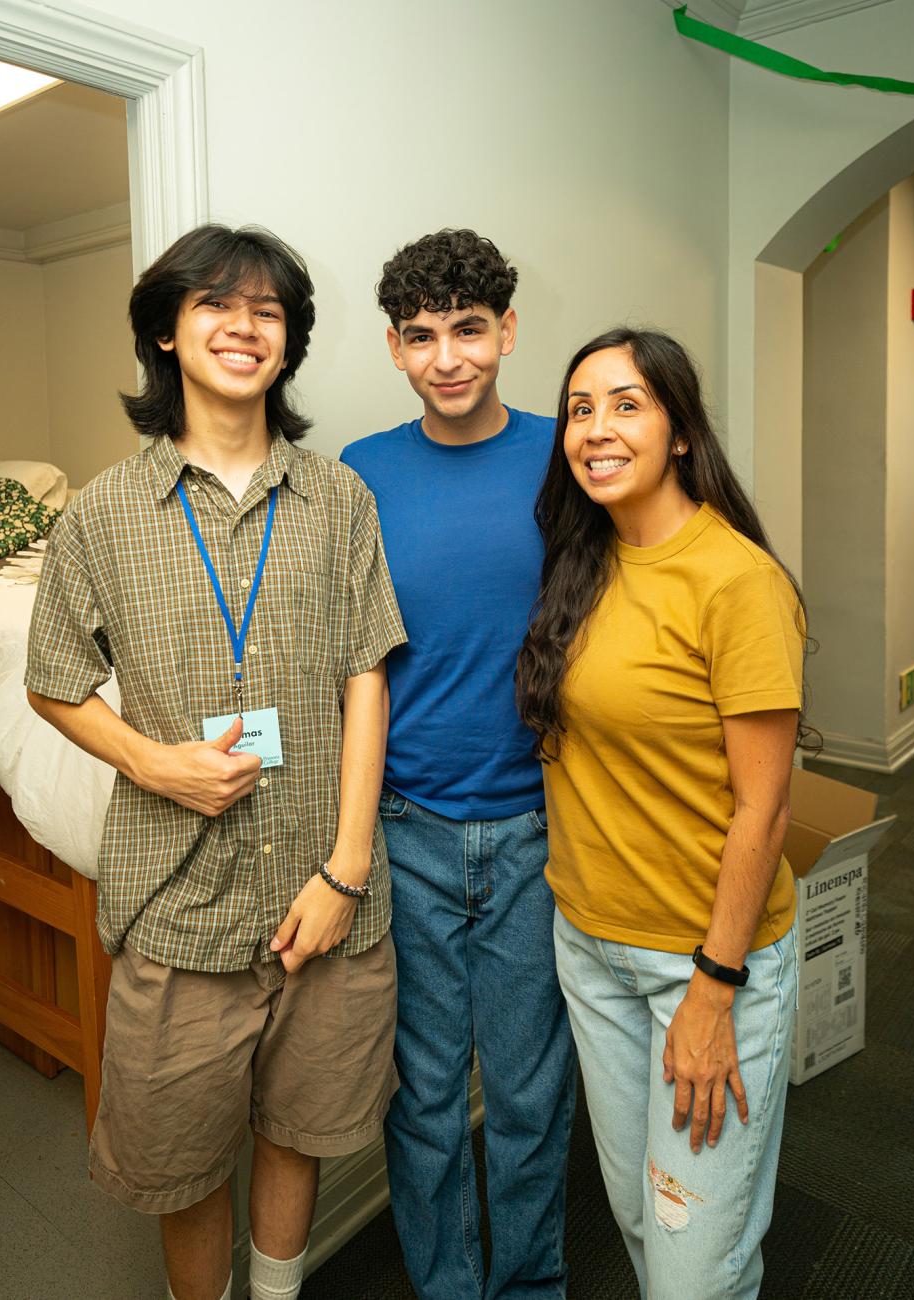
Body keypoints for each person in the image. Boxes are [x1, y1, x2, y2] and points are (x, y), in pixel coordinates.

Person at [25, 224, 406, 1300]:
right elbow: (51, 679)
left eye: (267, 311)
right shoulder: (100, 515)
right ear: (164, 331)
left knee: (298, 1130)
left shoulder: (339, 500)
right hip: (179, 907)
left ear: (286, 346)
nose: (243, 326)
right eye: (214, 304)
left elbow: (364, 679)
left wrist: (344, 870)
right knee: (183, 1165)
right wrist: (151, 763)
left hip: (323, 902)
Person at [517, 327, 808, 1299]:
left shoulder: (736, 581)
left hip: (704, 960)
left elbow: (763, 811)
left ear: (679, 430)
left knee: (694, 1265)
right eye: (578, 407)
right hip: (590, 945)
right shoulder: (581, 558)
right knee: (643, 1220)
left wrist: (714, 989)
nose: (594, 428)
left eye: (625, 404)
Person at [341, 229, 576, 1300]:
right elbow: (342, 654)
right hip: (407, 830)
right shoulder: (362, 473)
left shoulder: (561, 457)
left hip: (538, 824)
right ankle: (446, 1286)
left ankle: (526, 1283)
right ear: (394, 347)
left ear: (506, 333)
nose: (447, 357)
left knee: (528, 1094)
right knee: (425, 1095)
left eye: (468, 330)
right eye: (421, 335)